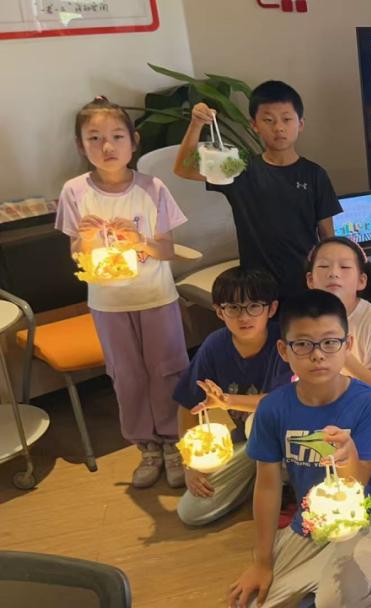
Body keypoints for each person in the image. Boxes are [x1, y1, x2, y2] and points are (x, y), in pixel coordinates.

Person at [229, 290, 371, 608]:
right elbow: (267, 487)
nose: (318, 355)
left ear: (347, 345)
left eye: (330, 342)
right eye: (303, 344)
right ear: (284, 350)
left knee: (336, 601)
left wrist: (349, 454)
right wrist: (262, 562)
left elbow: (357, 487)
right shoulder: (273, 408)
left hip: (369, 518)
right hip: (310, 519)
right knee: (254, 603)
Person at [56, 97, 189, 488]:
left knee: (167, 370)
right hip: (108, 303)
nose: (107, 146)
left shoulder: (152, 187)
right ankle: (146, 446)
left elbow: (168, 250)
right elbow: (76, 252)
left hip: (156, 296)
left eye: (116, 136)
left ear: (134, 141)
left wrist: (140, 241)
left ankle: (173, 442)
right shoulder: (75, 192)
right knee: (125, 375)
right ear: (81, 146)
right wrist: (87, 239)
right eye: (94, 138)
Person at [173, 81, 341, 298]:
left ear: (300, 124)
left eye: (286, 119)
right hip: (257, 284)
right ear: (254, 125)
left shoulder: (315, 174)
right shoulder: (239, 169)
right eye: (268, 120)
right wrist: (196, 124)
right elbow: (183, 168)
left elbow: (327, 235)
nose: (278, 128)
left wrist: (330, 277)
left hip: (303, 281)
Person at [174, 267, 292, 526]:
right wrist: (189, 464)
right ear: (219, 311)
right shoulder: (215, 346)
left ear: (271, 308)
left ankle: (285, 486)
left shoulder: (284, 342)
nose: (244, 316)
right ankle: (261, 477)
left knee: (259, 422)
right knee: (191, 512)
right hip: (250, 446)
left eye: (254, 306)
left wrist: (226, 400)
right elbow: (187, 405)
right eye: (233, 308)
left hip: (289, 442)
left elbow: (280, 403)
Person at [306, 236, 371, 458]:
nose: (333, 273)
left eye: (344, 267)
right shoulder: (304, 318)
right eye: (324, 266)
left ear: (361, 281)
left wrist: (343, 356)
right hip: (328, 400)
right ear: (310, 280)